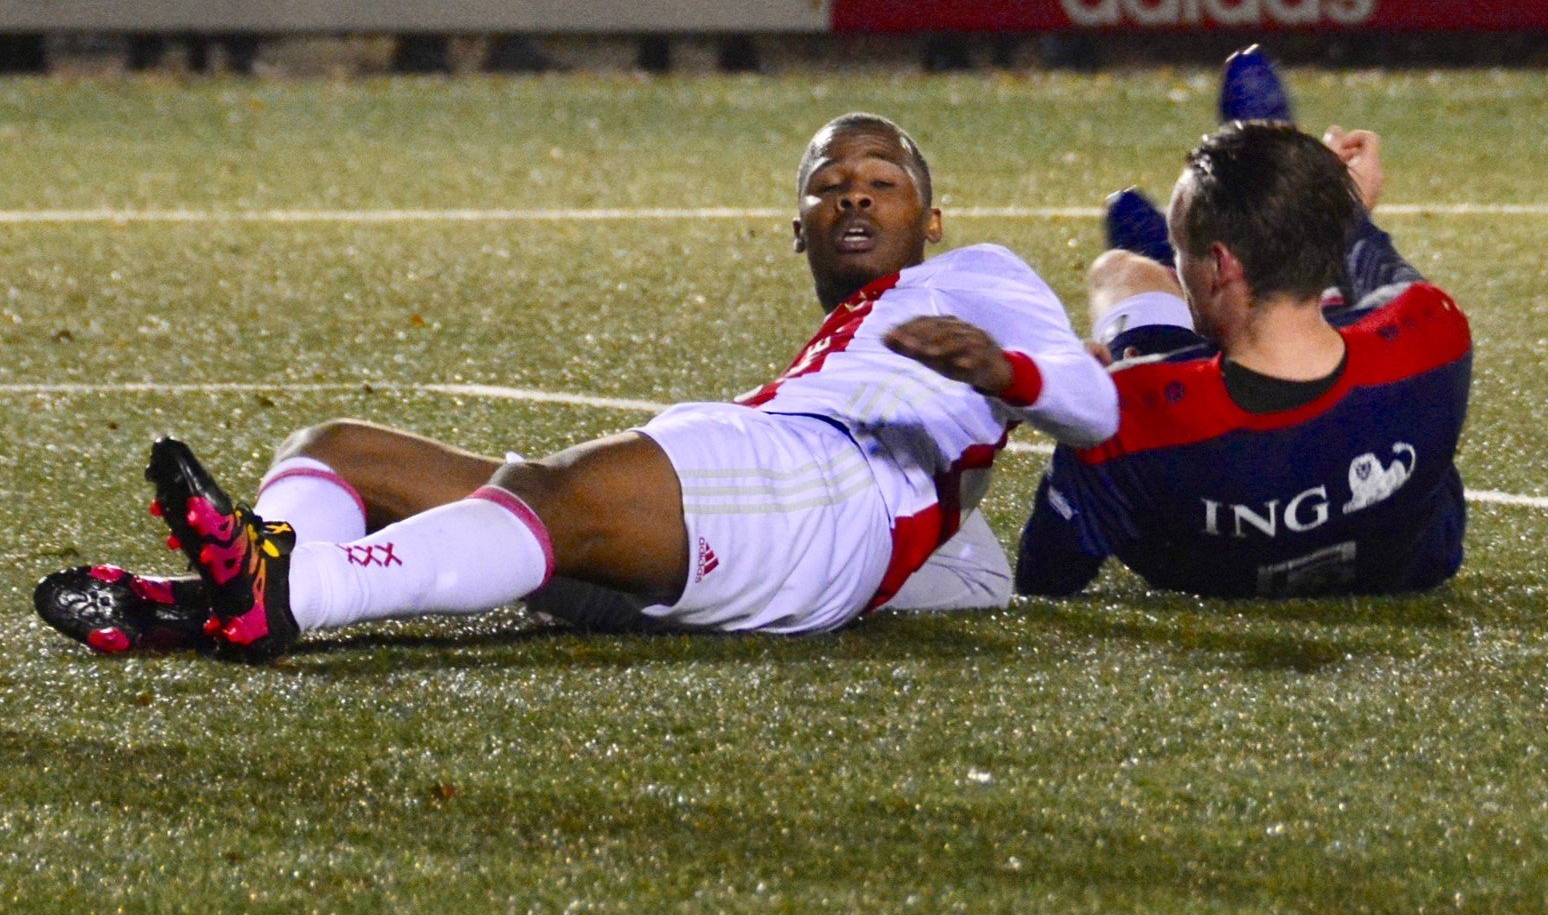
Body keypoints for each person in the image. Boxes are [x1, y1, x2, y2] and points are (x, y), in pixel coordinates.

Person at [37, 113, 1118, 659]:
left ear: (929, 220)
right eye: (829, 185)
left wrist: (1004, 369)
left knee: (548, 493)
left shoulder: (977, 278)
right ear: (794, 228)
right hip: (773, 508)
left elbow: (1092, 406)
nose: (853, 197)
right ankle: (224, 601)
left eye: (883, 183)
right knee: (337, 450)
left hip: (822, 497)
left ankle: (286, 593)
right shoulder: (836, 344)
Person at [1015, 118, 1472, 599]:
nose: (1180, 264)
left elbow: (1044, 578)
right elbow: (1373, 262)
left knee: (1120, 272)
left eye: (1180, 251)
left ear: (1218, 264)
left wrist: (1061, 403)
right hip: (1405, 566)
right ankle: (1272, 248)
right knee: (1336, 310)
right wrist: (1332, 202)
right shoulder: (1434, 331)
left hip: (1203, 548)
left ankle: (1177, 279)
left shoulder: (1124, 415)